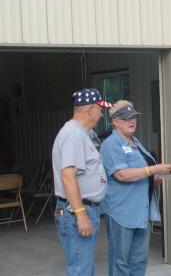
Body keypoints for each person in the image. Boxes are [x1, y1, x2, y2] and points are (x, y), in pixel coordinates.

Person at [100, 100, 171, 276]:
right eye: (126, 118)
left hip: (142, 211)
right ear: (115, 122)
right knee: (121, 262)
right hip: (122, 213)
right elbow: (122, 174)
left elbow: (140, 169)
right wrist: (152, 169)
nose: (132, 121)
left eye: (134, 118)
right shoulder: (111, 145)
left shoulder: (135, 141)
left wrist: (152, 177)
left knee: (139, 260)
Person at [52, 88, 112, 276]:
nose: (101, 115)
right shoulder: (74, 134)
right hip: (77, 210)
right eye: (100, 110)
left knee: (83, 267)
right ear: (90, 110)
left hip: (83, 209)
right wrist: (81, 214)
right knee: (81, 269)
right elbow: (68, 176)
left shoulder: (80, 133)